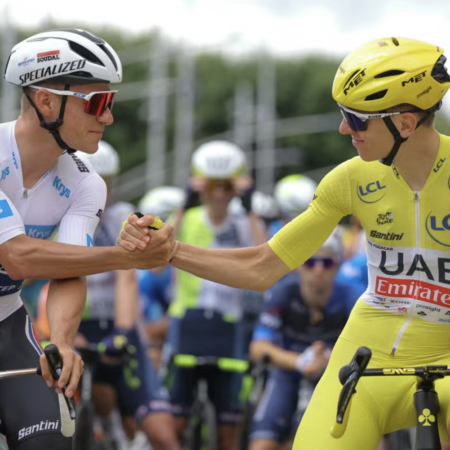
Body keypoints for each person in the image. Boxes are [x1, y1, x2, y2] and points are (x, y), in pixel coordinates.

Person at [120, 37, 450, 448]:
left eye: (357, 118)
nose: (344, 128)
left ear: (404, 122)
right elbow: (262, 267)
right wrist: (170, 251)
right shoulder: (350, 179)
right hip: (369, 352)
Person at [0, 28, 174, 450]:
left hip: (4, 322)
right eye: (98, 103)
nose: (108, 117)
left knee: (52, 438)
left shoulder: (85, 184)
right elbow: (18, 257)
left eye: (109, 103)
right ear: (45, 100)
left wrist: (61, 341)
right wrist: (127, 256)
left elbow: (69, 267)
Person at [74, 143, 180, 450]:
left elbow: (126, 277)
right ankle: (110, 429)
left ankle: (123, 436)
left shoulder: (122, 215)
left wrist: (122, 330)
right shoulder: (57, 215)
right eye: (93, 181)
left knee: (163, 435)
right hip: (74, 326)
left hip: (119, 328)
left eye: (107, 182)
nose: (101, 190)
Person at [164, 140, 267, 450]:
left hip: (228, 324)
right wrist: (184, 202)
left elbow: (265, 255)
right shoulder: (190, 219)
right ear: (200, 186)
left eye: (227, 187)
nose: (220, 194)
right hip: (188, 322)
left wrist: (248, 205)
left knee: (227, 430)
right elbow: (155, 258)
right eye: (212, 186)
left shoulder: (241, 222)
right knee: (177, 424)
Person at [249, 228, 352, 450]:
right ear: (297, 266)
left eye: (326, 263)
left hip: (335, 375)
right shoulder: (282, 294)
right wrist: (298, 361)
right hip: (288, 371)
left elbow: (370, 346)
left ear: (338, 265)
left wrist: (330, 358)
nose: (317, 270)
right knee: (262, 444)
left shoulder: (353, 296)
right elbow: (258, 348)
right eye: (309, 262)